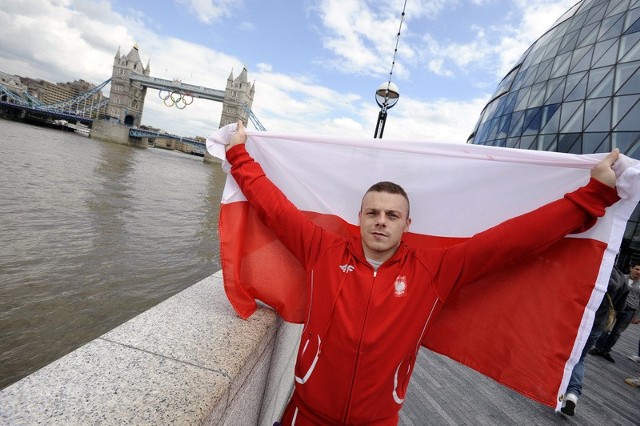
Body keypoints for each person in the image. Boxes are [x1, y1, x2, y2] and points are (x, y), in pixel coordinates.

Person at [225, 121, 621, 425]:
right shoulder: (321, 251)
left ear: (407, 223)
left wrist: (589, 197)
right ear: (359, 218)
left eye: (392, 215)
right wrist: (240, 155)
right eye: (373, 213)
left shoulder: (434, 270)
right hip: (306, 415)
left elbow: (511, 240)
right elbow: (273, 207)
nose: (381, 221)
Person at [561, 265, 629, 416]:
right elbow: (620, 307)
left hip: (575, 320)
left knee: (562, 352)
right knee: (580, 358)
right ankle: (573, 394)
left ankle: (557, 387)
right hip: (596, 326)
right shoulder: (621, 279)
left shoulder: (592, 265)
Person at [589, 260, 640, 362]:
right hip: (615, 308)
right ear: (631, 268)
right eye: (637, 269)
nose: (638, 272)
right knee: (606, 328)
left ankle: (606, 350)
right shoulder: (621, 278)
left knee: (617, 332)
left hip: (630, 311)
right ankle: (598, 347)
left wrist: (638, 316)